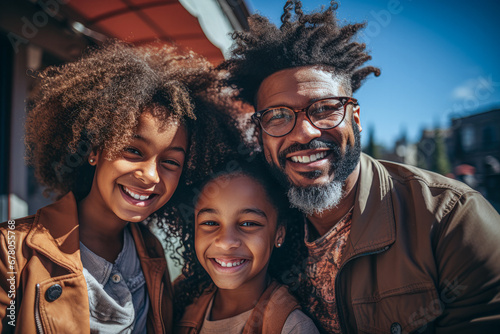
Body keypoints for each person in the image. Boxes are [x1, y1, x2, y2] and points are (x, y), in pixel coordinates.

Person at [219, 1, 500, 333]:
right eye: (278, 116)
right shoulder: (259, 214)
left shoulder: (451, 220)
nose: (305, 132)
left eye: (324, 109)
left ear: (356, 119)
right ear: (261, 135)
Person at [0, 41, 241, 333]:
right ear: (95, 150)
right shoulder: (12, 249)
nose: (151, 175)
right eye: (133, 151)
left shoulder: (152, 255)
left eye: (171, 162)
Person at [172, 157, 319, 333]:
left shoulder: (292, 327)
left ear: (279, 233)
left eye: (249, 224)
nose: (226, 242)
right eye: (210, 223)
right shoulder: (179, 305)